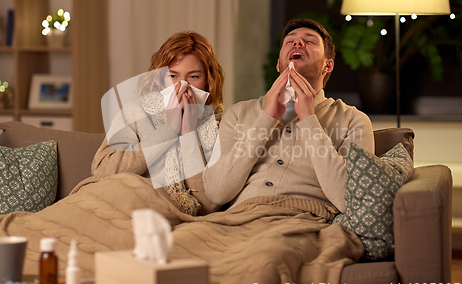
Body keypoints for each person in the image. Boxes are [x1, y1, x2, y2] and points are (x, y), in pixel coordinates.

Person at [202, 18, 374, 213]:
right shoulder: (238, 114)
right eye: (289, 41)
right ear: (278, 64)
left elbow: (350, 202)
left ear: (328, 66)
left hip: (304, 222)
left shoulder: (353, 121)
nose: (297, 43)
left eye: (309, 41)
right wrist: (266, 118)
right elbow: (216, 193)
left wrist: (309, 120)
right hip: (236, 221)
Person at [92, 31, 225, 216]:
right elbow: (102, 171)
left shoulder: (218, 125)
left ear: (207, 82)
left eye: (193, 77)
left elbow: (206, 204)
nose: (182, 86)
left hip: (167, 216)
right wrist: (169, 130)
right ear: (160, 78)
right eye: (173, 76)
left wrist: (188, 131)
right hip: (122, 206)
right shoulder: (134, 112)